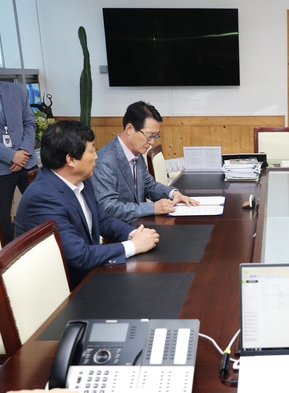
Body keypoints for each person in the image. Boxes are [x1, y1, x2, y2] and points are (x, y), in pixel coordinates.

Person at [15, 120, 160, 287]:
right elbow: (79, 256)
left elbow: (102, 220)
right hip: (62, 289)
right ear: (71, 160)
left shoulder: (81, 181)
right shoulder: (43, 198)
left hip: (88, 273)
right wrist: (132, 246)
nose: (96, 156)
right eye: (91, 150)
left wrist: (134, 234)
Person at [92, 101, 197, 225]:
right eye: (149, 135)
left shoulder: (136, 151)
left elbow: (149, 185)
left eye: (156, 136)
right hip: (118, 231)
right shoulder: (105, 160)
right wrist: (153, 208)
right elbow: (108, 208)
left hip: (139, 223)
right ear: (130, 129)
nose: (152, 142)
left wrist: (173, 193)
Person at [0, 81, 39, 243]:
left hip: (27, 162)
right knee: (3, 220)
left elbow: (30, 123)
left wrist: (24, 151)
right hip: (2, 168)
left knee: (45, 206)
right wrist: (10, 156)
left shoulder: (16, 90)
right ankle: (9, 261)